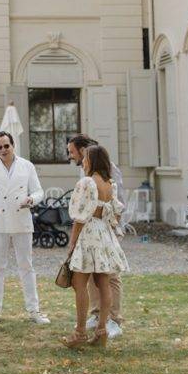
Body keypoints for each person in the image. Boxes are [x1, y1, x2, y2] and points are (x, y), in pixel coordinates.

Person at [0, 131, 49, 326]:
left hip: (21, 220)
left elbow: (38, 190)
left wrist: (31, 199)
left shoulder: (27, 166)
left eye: (6, 146)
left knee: (26, 266)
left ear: (13, 145)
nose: (2, 150)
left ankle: (34, 310)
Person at [63, 144, 129, 348]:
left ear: (92, 161)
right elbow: (116, 212)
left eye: (85, 158)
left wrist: (72, 243)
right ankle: (102, 330)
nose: (82, 162)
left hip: (89, 233)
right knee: (104, 282)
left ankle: (80, 332)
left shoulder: (87, 182)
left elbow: (80, 216)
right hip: (104, 233)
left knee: (79, 283)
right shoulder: (110, 184)